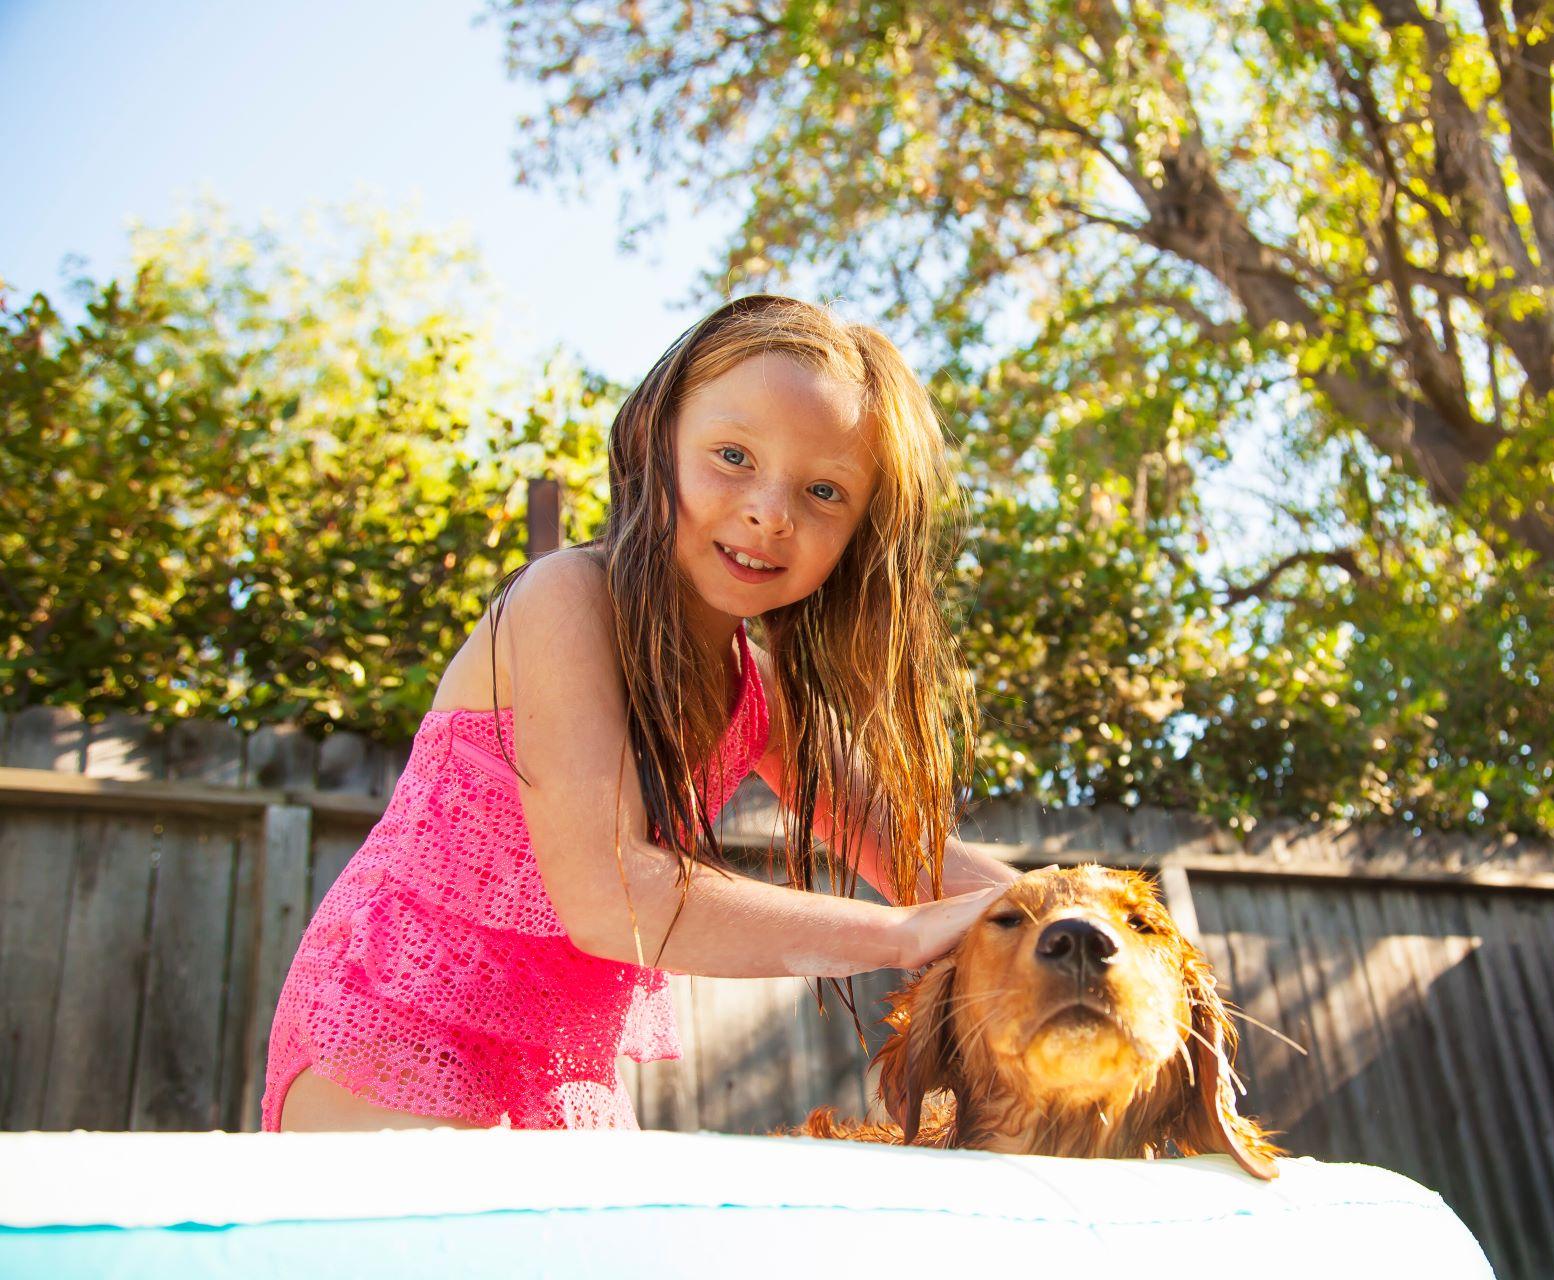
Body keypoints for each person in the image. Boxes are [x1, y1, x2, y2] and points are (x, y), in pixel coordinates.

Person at [264, 294, 1019, 1131]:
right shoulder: (564, 599)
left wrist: (1105, 928)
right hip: (390, 1023)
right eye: (733, 455)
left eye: (824, 490)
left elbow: (922, 860)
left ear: (859, 535)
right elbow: (612, 897)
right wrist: (903, 934)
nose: (772, 511)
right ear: (656, 439)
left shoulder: (758, 694)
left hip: (558, 1064)